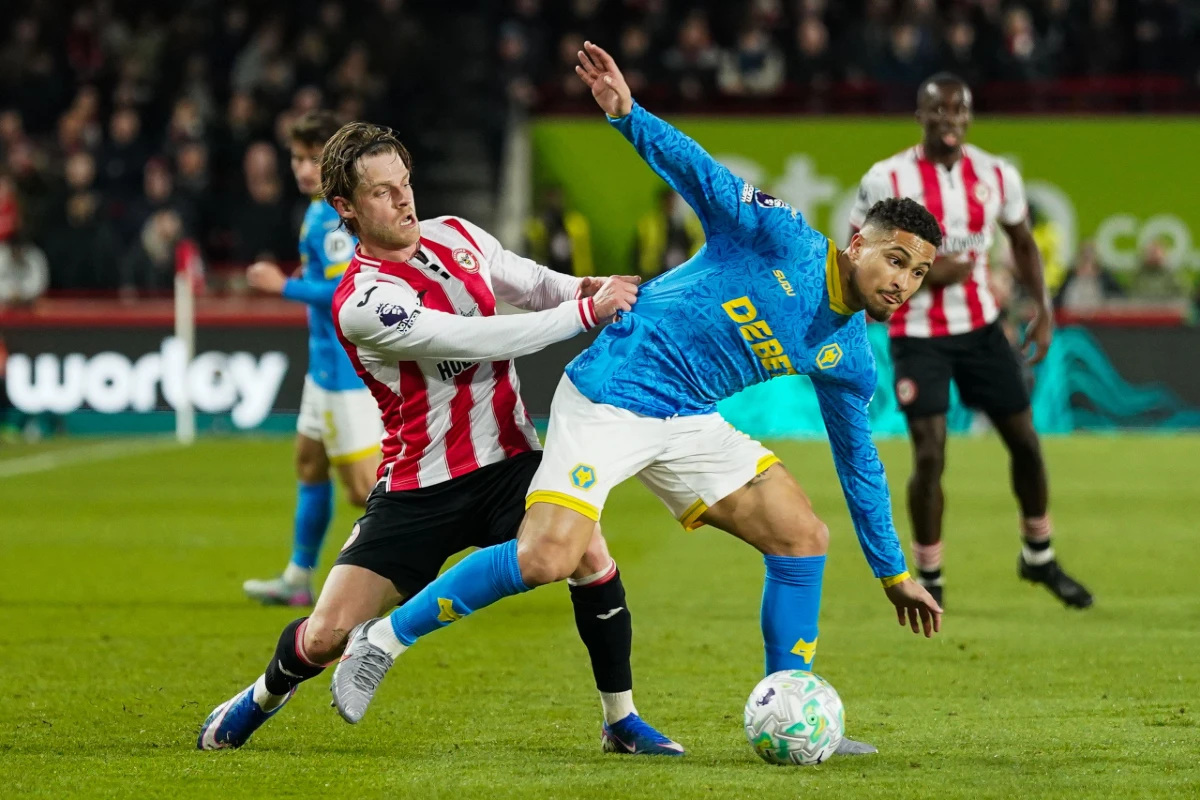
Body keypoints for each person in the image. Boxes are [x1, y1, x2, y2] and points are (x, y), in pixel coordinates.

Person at [330, 41, 943, 758]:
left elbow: (860, 462)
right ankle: (383, 637)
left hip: (686, 419)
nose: (902, 281)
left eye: (919, 273)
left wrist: (894, 570)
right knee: (546, 559)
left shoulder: (850, 357)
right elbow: (701, 175)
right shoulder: (783, 238)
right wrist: (628, 116)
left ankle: (791, 703)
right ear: (857, 241)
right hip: (611, 394)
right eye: (895, 259)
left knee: (802, 535)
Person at [199, 119, 681, 756]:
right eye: (381, 192)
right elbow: (475, 339)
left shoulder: (456, 234)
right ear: (345, 207)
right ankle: (261, 696)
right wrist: (584, 314)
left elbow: (532, 282)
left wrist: (584, 288)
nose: (403, 200)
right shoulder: (363, 300)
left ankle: (621, 722)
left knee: (587, 555)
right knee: (325, 637)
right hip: (419, 488)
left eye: (405, 183)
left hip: (510, 459)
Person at [847, 73, 1093, 610]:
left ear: (969, 116)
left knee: (1026, 441)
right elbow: (857, 249)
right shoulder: (886, 176)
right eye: (939, 111)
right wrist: (925, 275)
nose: (950, 120)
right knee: (931, 455)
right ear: (920, 115)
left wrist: (1044, 313)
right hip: (918, 334)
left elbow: (1023, 243)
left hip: (982, 329)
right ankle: (929, 576)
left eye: (959, 111)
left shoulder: (997, 174)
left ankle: (1038, 556)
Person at [240, 111, 383, 607]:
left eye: (312, 157)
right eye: (297, 157)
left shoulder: (331, 217)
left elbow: (348, 288)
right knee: (309, 461)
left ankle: (407, 576)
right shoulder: (317, 210)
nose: (302, 168)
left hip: (345, 371)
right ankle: (298, 577)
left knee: (366, 491)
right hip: (322, 369)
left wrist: (284, 286)